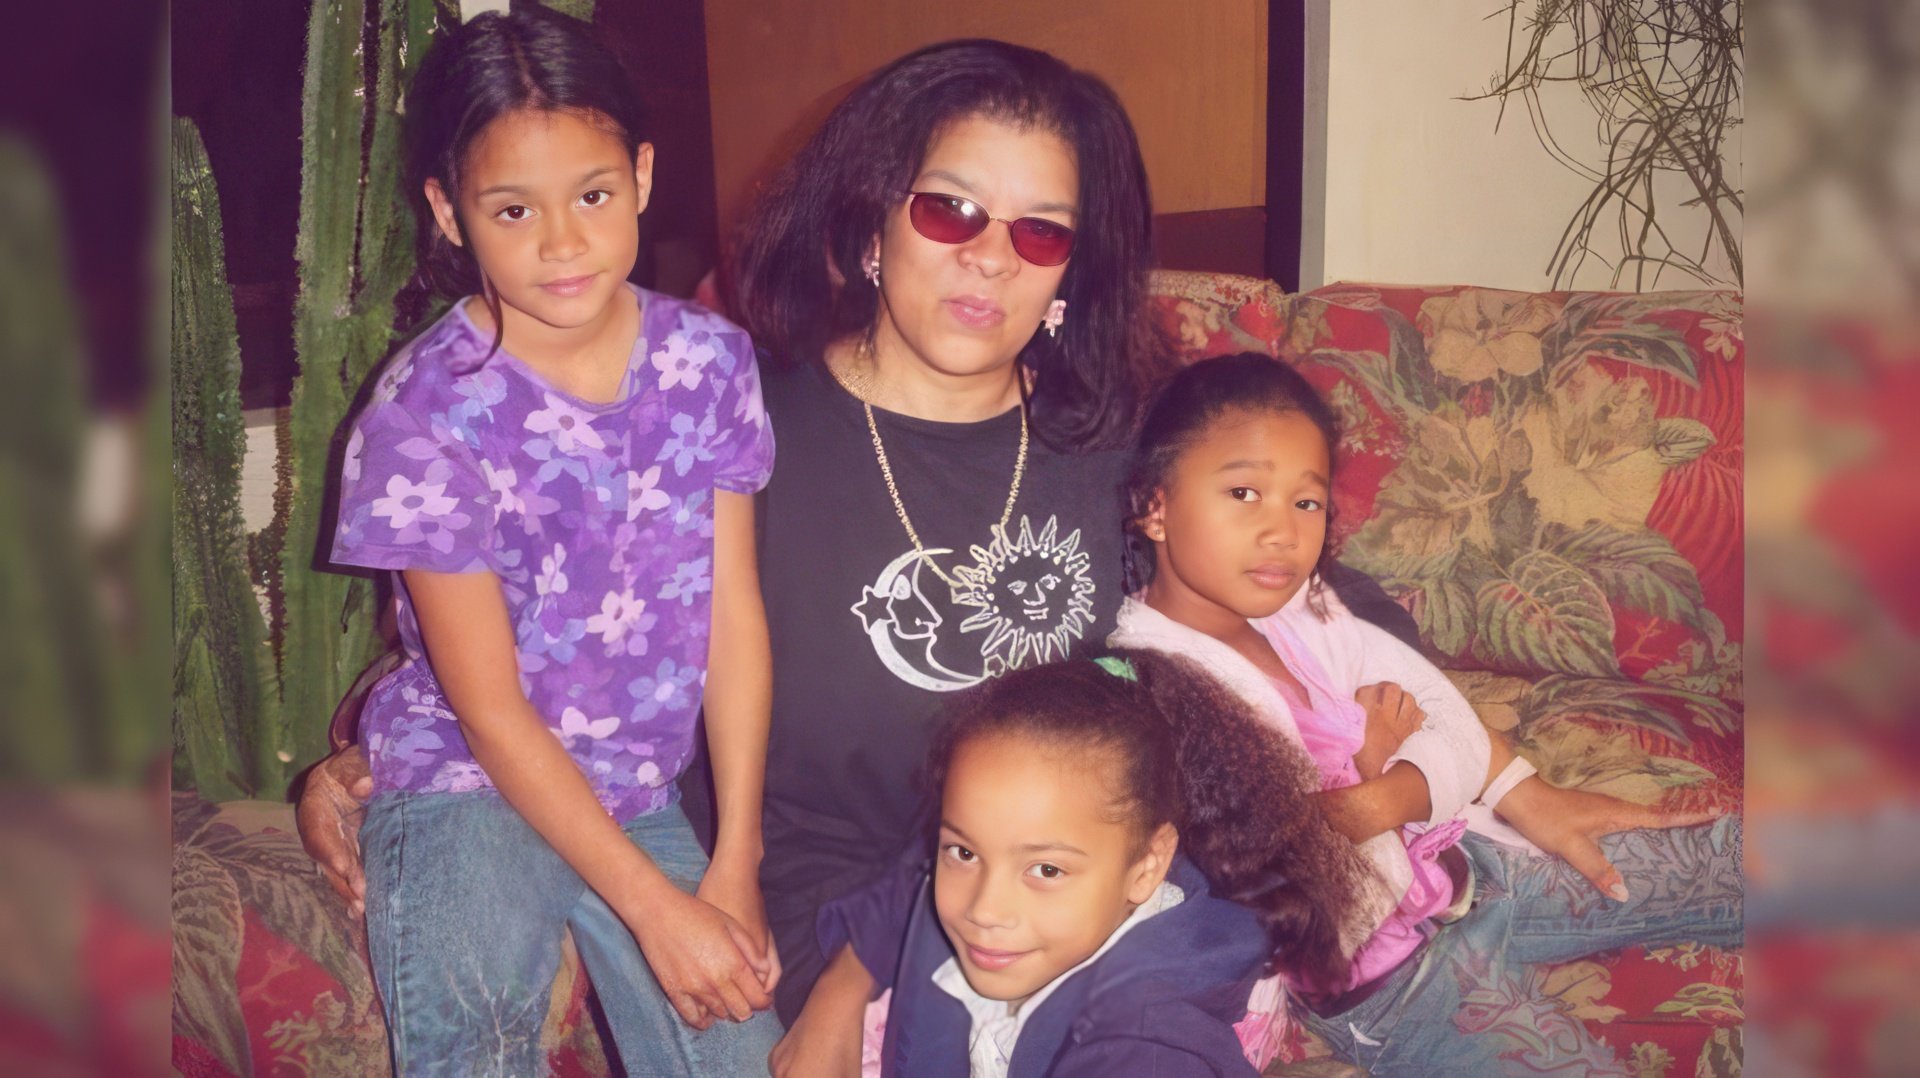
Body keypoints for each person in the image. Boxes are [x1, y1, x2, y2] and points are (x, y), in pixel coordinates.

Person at [295, 36, 1417, 1060]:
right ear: (877, 220)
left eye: (1038, 231)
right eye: (949, 212)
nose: (988, 259)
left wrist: (1497, 767)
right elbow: (562, 609)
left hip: (1066, 895)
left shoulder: (1116, 438)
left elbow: (1296, 586)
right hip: (824, 903)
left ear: (1071, 266)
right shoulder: (740, 425)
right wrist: (373, 751)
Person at [324, 9, 781, 1073]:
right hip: (466, 780)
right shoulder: (423, 414)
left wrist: (735, 863)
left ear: (643, 176)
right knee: (475, 1045)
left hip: (636, 788)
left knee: (748, 1055)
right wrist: (651, 907)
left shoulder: (708, 363)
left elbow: (735, 614)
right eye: (512, 209)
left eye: (592, 194)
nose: (564, 242)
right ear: (448, 211)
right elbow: (485, 707)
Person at [1108, 353, 1742, 1073]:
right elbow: (1318, 893)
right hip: (1394, 990)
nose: (1282, 530)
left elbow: (1451, 721)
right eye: (1244, 492)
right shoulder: (1147, 685)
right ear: (1155, 506)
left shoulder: (1298, 607)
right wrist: (1379, 773)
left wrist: (1384, 792)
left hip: (1479, 870)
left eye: (1306, 502)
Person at [817, 650, 1366, 1077]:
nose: (984, 909)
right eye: (963, 851)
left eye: (1047, 871)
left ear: (1149, 867)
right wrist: (838, 991)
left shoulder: (1145, 1052)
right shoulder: (1081, 867)